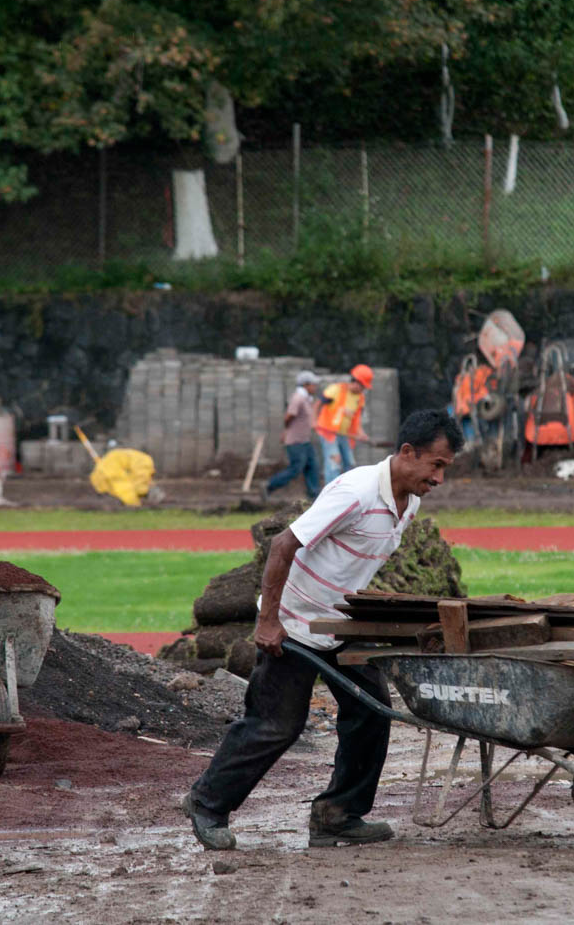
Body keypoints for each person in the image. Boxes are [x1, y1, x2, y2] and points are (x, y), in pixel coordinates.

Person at [184, 409, 463, 851]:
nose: (441, 478)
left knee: (371, 710)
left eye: (446, 467)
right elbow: (283, 545)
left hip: (337, 623)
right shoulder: (354, 493)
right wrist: (270, 620)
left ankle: (337, 815)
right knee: (276, 724)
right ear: (408, 453)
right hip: (294, 624)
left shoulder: (409, 504)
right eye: (437, 465)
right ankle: (206, 803)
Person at [264, 371, 322, 500]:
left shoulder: (306, 398)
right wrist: (287, 430)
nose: (315, 387)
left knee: (312, 467)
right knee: (295, 469)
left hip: (304, 441)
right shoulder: (298, 398)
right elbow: (289, 416)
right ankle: (269, 486)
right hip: (296, 441)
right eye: (313, 384)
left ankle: (314, 496)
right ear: (306, 385)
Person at [315, 364, 374, 483]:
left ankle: (348, 491)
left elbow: (356, 420)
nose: (363, 390)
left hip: (344, 435)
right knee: (334, 462)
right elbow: (317, 404)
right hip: (328, 433)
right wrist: (314, 421)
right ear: (356, 382)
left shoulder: (360, 398)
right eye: (363, 386)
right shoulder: (336, 390)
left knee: (350, 464)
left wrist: (361, 434)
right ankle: (331, 495)